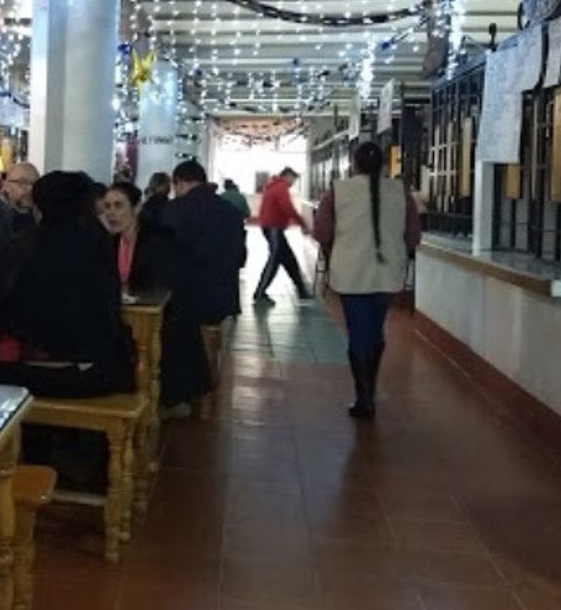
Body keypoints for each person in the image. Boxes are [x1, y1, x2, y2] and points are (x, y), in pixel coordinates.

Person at [0, 171, 133, 398]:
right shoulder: (97, 243)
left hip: (19, 372)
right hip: (85, 374)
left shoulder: (21, 245)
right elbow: (109, 307)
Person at [314, 142, 421, 420]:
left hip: (351, 271)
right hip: (388, 272)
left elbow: (321, 231)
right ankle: (369, 390)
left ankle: (365, 398)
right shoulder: (400, 192)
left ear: (355, 163)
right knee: (375, 329)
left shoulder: (338, 191)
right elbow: (413, 236)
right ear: (384, 164)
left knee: (360, 331)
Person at [160, 160, 246, 408]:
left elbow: (165, 257)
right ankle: (206, 396)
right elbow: (241, 257)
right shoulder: (231, 212)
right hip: (221, 298)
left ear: (181, 183)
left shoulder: (174, 210)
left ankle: (180, 393)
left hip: (183, 299)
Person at [100, 182, 175, 293]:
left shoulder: (158, 240)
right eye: (107, 206)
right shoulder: (108, 243)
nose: (111, 213)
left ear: (137, 207)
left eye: (118, 205)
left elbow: (160, 285)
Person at [253, 167, 312, 304]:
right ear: (287, 176)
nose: (293, 182)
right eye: (293, 179)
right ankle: (260, 293)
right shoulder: (281, 187)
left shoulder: (273, 186)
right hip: (274, 228)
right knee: (274, 261)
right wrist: (302, 223)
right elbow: (288, 208)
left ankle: (302, 290)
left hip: (272, 227)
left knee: (289, 260)